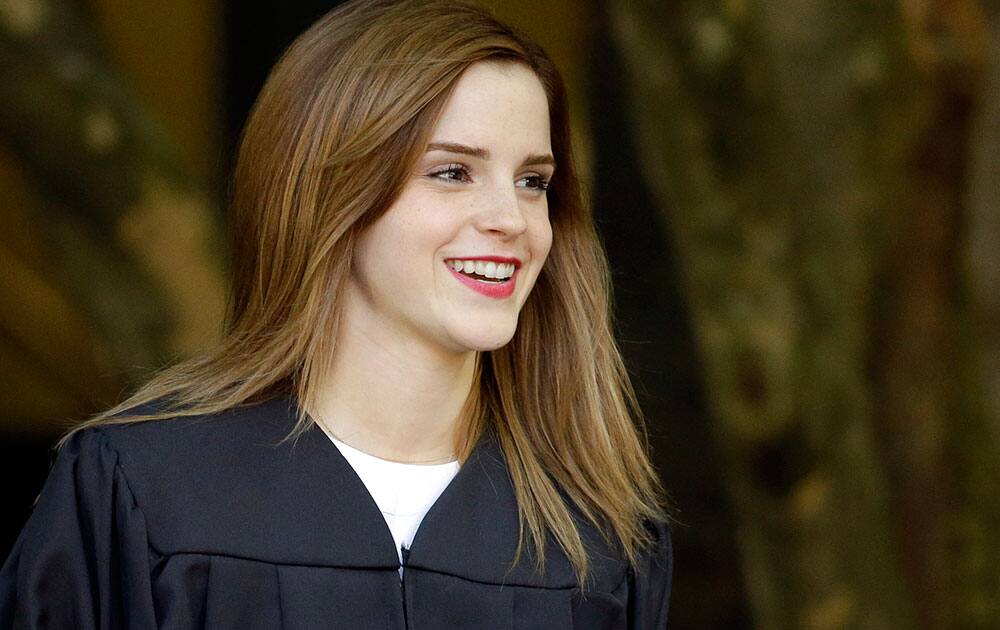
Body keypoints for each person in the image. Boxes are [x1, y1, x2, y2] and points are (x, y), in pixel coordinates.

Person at [0, 0, 673, 627]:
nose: (510, 219)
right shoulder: (143, 494)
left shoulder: (599, 540)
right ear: (331, 193)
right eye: (452, 172)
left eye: (534, 182)